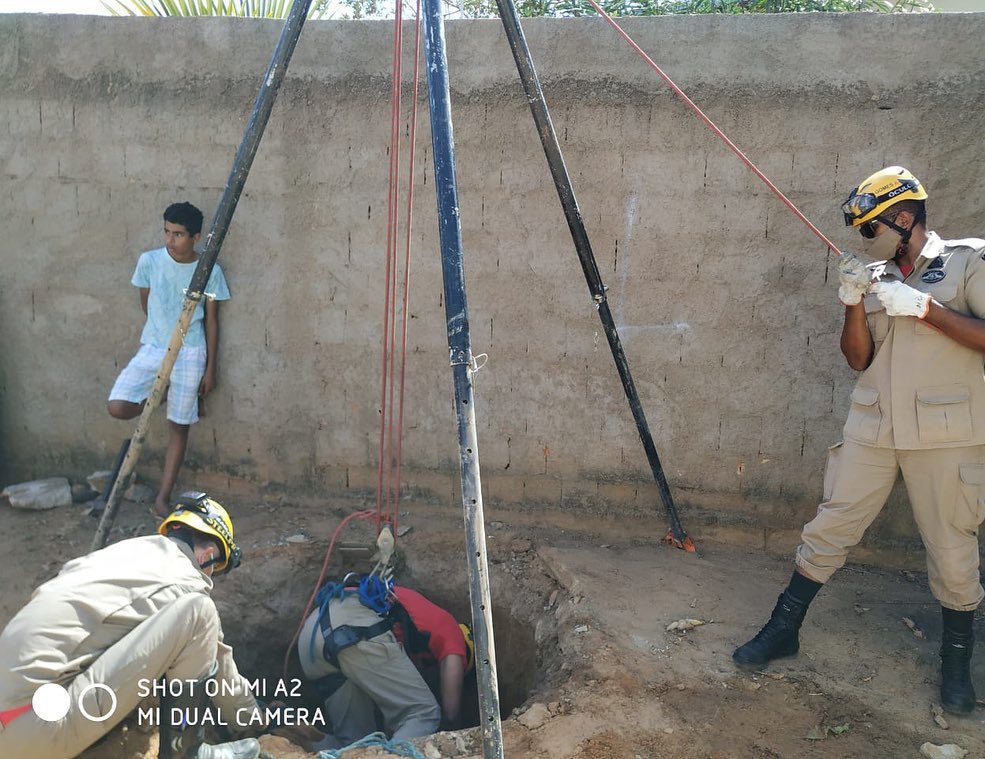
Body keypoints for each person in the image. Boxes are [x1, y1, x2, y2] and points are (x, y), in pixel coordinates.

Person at [732, 166, 985, 716]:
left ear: (904, 217)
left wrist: (924, 308)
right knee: (831, 524)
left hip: (947, 435)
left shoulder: (968, 261)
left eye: (872, 228)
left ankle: (956, 666)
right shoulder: (873, 275)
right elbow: (858, 360)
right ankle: (783, 630)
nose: (866, 240)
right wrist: (853, 299)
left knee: (951, 547)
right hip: (872, 427)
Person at [0, 493, 262, 759]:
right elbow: (221, 669)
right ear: (207, 555)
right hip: (34, 724)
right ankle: (187, 751)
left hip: (13, 713)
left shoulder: (123, 555)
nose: (210, 577)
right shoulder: (186, 580)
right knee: (200, 613)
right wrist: (255, 721)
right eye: (215, 568)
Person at [107, 202, 231, 518]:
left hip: (191, 352)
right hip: (153, 347)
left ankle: (163, 497)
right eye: (166, 231)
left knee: (179, 425)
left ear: (196, 237)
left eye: (178, 234)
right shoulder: (149, 262)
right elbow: (147, 304)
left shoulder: (209, 271)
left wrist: (210, 369)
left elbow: (212, 322)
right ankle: (160, 396)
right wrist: (162, 333)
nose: (170, 240)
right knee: (118, 406)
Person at [297, 575, 473, 750]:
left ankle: (295, 738)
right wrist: (454, 738)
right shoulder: (452, 632)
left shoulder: (417, 628)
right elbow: (450, 711)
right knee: (422, 712)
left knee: (356, 743)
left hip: (312, 635)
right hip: (352, 625)